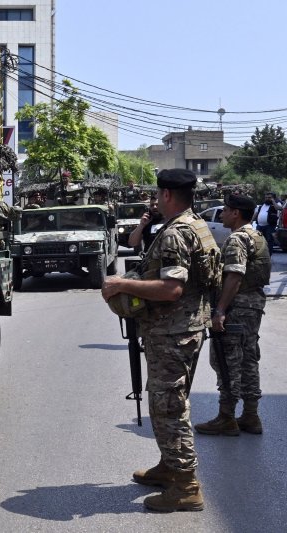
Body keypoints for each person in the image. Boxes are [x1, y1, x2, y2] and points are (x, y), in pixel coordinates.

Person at [101, 168, 219, 513]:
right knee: (171, 401)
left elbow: (172, 289)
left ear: (167, 195)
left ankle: (185, 486)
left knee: (168, 407)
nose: (154, 199)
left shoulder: (175, 233)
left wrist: (121, 284)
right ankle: (170, 466)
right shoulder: (195, 224)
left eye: (157, 194)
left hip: (173, 332)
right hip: (184, 328)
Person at [195, 194, 271, 436]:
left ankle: (226, 417)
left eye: (226, 210)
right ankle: (251, 415)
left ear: (236, 213)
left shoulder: (238, 239)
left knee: (228, 360)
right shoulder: (257, 236)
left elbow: (234, 276)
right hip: (253, 307)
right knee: (249, 359)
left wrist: (220, 310)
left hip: (237, 308)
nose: (223, 214)